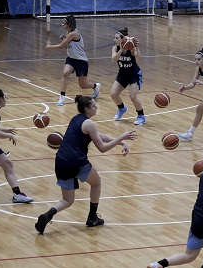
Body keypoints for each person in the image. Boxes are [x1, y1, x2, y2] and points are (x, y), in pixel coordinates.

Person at [35, 95, 136, 233]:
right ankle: (92, 216)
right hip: (76, 161)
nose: (96, 108)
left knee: (67, 200)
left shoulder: (76, 119)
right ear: (87, 109)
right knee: (97, 183)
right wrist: (122, 137)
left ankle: (48, 215)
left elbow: (99, 136)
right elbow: (102, 148)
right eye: (94, 106)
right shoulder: (89, 124)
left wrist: (121, 142)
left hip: (60, 161)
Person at [45, 14, 101, 106]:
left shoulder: (73, 34)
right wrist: (64, 39)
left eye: (64, 23)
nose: (62, 24)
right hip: (71, 59)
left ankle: (96, 86)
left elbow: (61, 46)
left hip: (80, 61)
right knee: (65, 73)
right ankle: (62, 97)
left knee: (82, 85)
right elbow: (67, 47)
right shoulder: (68, 34)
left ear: (69, 24)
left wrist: (49, 47)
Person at [110, 28, 146, 125]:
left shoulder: (131, 49)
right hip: (122, 74)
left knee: (133, 96)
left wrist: (137, 48)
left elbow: (139, 60)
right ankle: (121, 108)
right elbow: (114, 60)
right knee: (113, 94)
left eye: (116, 38)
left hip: (134, 74)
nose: (114, 40)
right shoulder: (115, 48)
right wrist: (121, 50)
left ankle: (141, 116)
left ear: (123, 40)